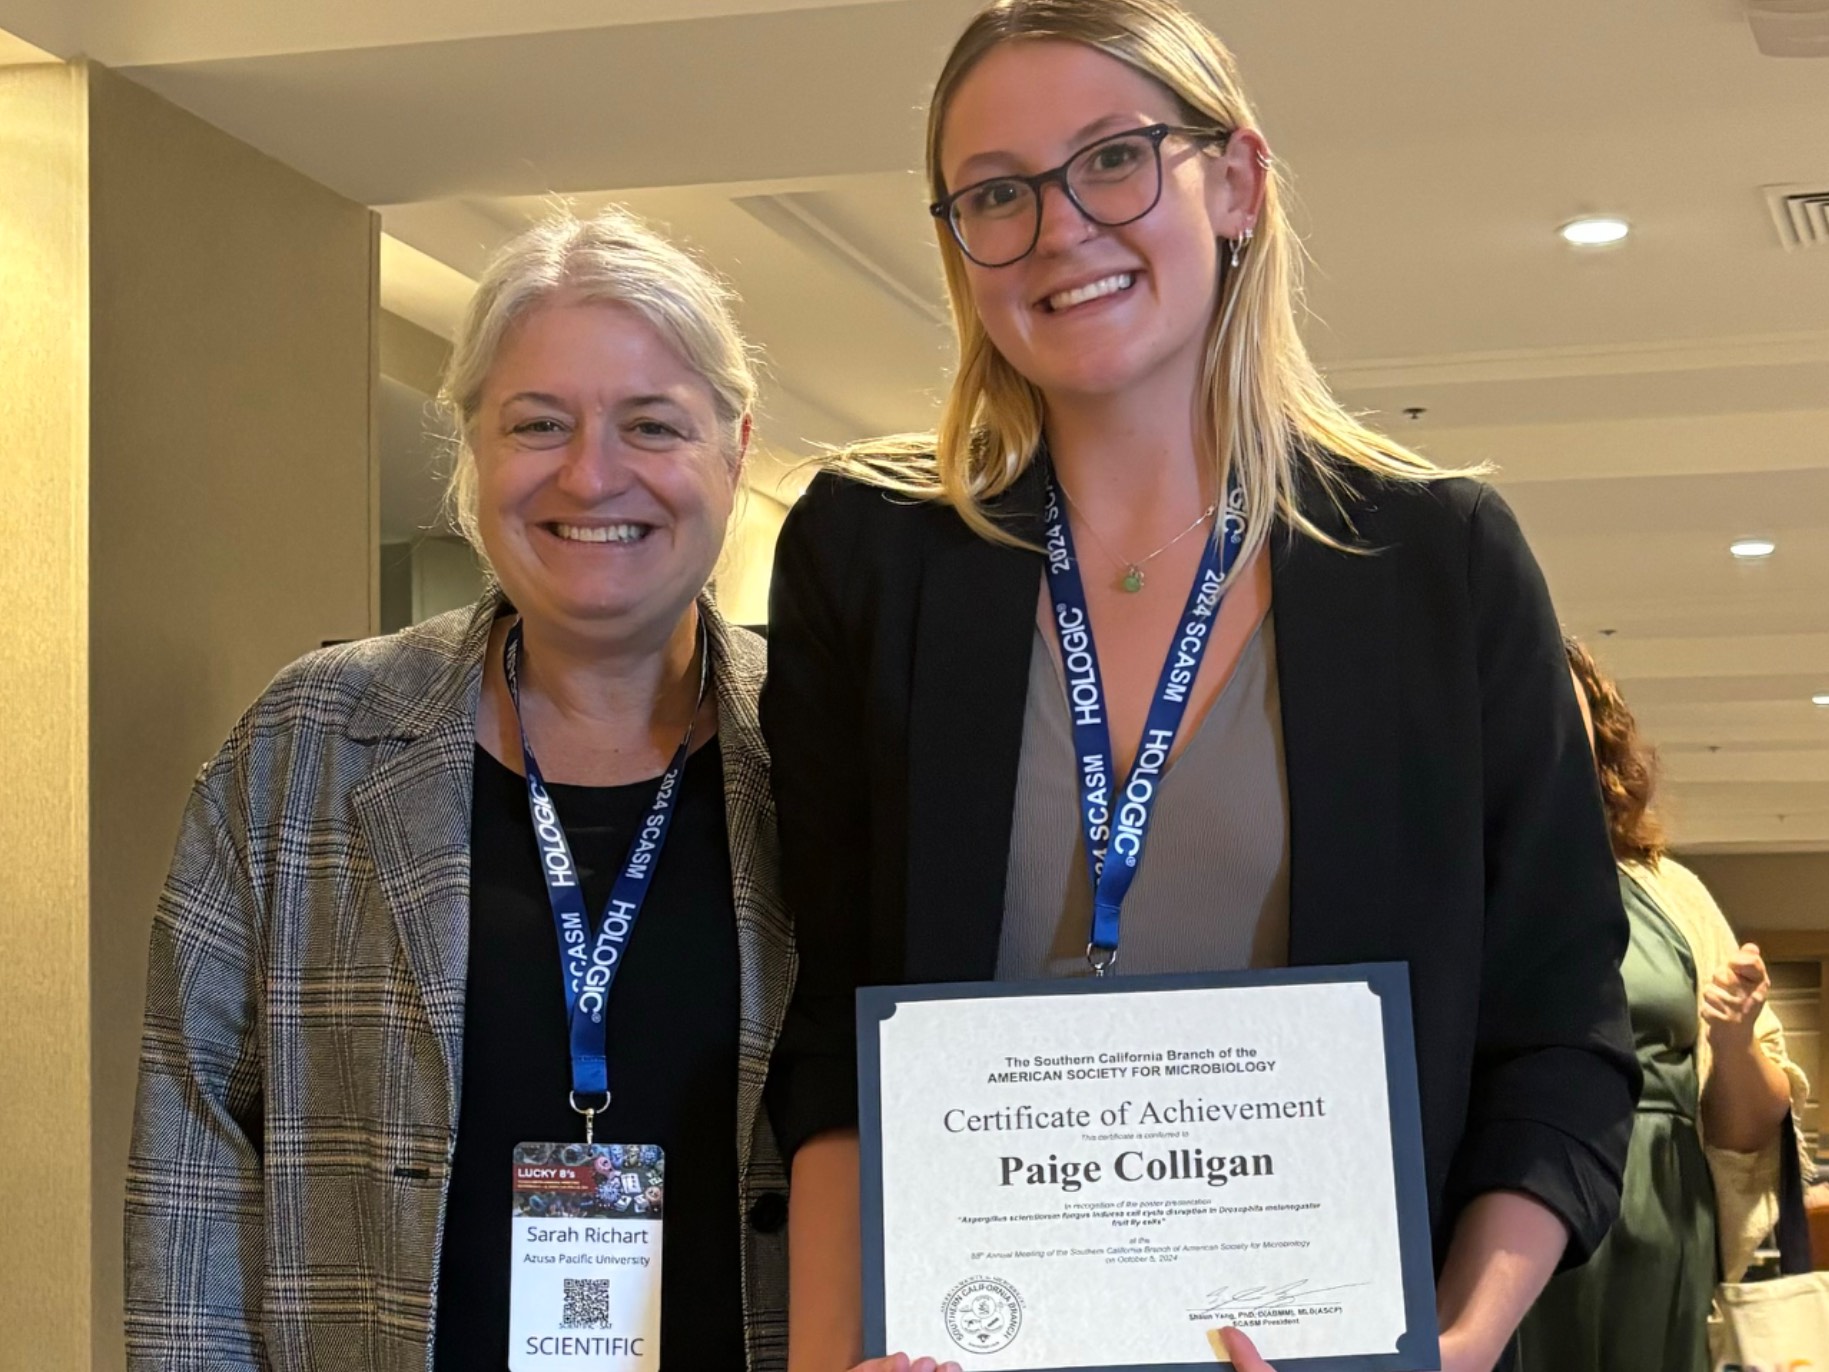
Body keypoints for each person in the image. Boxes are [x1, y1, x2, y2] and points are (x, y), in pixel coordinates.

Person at [759, 2, 1639, 1370]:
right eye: (996, 193)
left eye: (1112, 159)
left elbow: (1561, 1039)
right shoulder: (869, 557)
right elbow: (831, 1022)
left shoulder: (1438, 563)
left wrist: (1448, 1349)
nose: (1058, 229)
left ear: (1234, 182)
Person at [125, 208, 792, 1371]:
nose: (592, 473)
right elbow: (192, 1150)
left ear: (735, 450)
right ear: (473, 447)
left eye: (651, 424)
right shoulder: (308, 742)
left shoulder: (829, 748)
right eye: (538, 423)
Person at [1515, 639, 1807, 1372]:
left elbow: (1744, 1131)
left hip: (1660, 1219)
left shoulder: (1669, 892)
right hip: (1503, 1202)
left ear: (1598, 732)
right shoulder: (1444, 886)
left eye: (1558, 700)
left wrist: (1734, 1040)